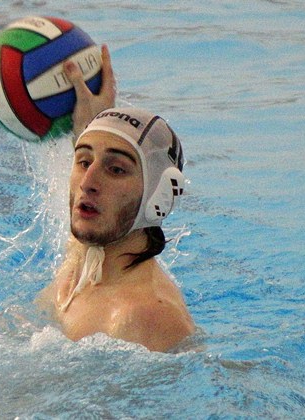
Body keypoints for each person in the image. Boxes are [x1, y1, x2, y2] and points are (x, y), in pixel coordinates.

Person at [36, 45, 195, 352]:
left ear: (158, 196)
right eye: (84, 161)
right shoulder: (83, 262)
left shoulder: (145, 317)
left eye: (116, 169)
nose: (88, 182)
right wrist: (88, 123)